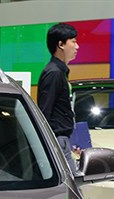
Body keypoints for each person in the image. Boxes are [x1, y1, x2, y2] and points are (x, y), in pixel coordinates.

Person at [37, 22, 79, 173]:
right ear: (61, 44)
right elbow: (44, 111)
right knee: (70, 184)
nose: (77, 47)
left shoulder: (58, 71)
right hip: (57, 141)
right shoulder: (54, 73)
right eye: (73, 41)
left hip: (62, 141)